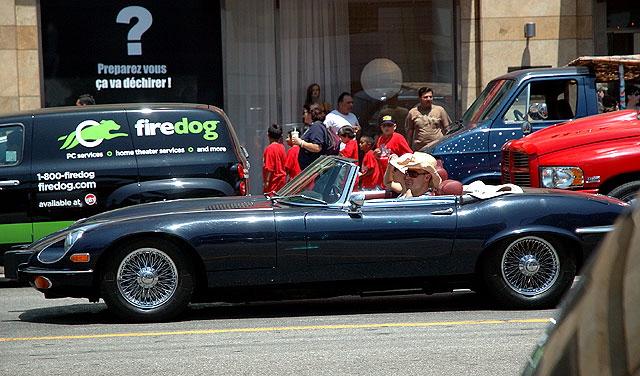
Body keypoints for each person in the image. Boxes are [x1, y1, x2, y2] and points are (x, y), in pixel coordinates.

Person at [373, 115, 412, 186]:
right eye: (384, 125)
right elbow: (380, 156)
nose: (386, 128)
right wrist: (375, 155)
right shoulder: (380, 139)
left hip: (394, 178)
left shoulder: (398, 138)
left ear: (394, 126)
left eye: (389, 125)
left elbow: (409, 155)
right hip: (381, 176)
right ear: (381, 127)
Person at [292, 104, 330, 170]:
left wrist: (301, 143)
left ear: (311, 113)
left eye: (305, 113)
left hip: (315, 170)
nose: (304, 116)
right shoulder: (314, 126)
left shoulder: (316, 127)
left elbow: (317, 147)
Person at [262, 123, 287, 194]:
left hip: (273, 181)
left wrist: (267, 181)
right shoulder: (282, 147)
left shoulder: (269, 149)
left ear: (268, 135)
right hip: (281, 179)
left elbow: (269, 167)